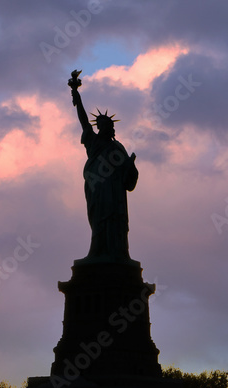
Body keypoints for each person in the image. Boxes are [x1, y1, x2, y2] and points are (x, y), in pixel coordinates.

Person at [70, 71, 138, 262]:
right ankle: (97, 252)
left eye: (105, 125)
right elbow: (83, 120)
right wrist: (76, 93)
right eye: (99, 125)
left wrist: (130, 165)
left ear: (111, 127)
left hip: (115, 191)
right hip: (98, 187)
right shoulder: (93, 141)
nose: (102, 127)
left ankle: (118, 253)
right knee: (99, 219)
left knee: (116, 220)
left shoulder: (118, 147)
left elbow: (127, 177)